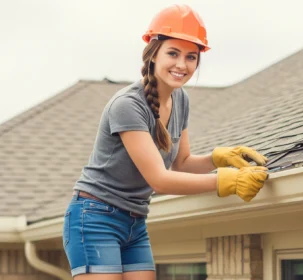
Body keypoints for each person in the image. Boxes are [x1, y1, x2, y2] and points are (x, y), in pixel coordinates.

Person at [62, 4, 269, 280]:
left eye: (191, 57)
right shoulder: (127, 105)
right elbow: (159, 179)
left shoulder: (181, 100)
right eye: (173, 53)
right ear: (153, 53)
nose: (182, 65)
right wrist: (227, 181)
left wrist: (218, 159)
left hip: (135, 220)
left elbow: (181, 164)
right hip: (95, 217)